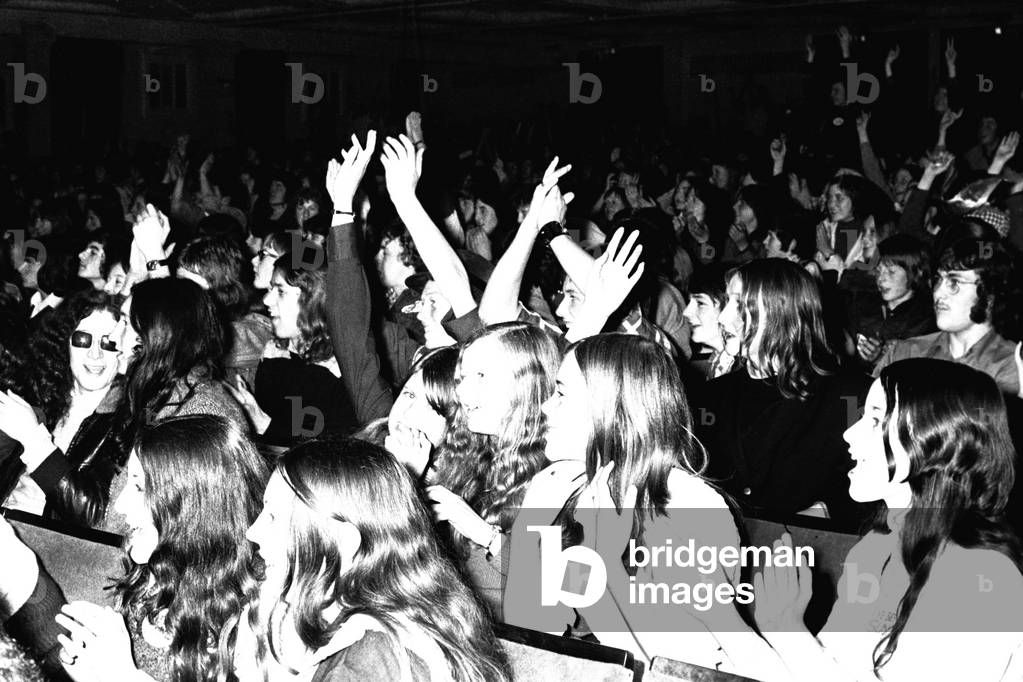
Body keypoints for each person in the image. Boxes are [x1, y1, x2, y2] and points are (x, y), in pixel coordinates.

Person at [505, 333, 787, 680]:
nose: (546, 407)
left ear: (614, 410)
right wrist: (529, 530)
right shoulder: (572, 492)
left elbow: (675, 669)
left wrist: (605, 564)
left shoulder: (688, 509)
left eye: (561, 393)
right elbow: (537, 638)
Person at [755, 359, 1023, 681]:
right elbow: (825, 666)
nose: (849, 434)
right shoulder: (874, 547)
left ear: (934, 442)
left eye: (875, 418)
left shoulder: (983, 575)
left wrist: (788, 632)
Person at [229, 435, 511, 681]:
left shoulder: (367, 662)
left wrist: (491, 537)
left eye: (274, 517)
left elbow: (542, 609)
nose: (252, 532)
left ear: (344, 542)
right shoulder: (390, 611)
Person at [51, 415, 268, 682]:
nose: (119, 505)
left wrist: (123, 676)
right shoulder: (154, 574)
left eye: (139, 486)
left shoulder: (253, 619)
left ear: (193, 507)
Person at [692, 259, 876, 527]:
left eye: (740, 305)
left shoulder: (852, 398)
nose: (723, 317)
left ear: (784, 313)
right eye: (727, 303)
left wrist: (825, 512)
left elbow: (872, 500)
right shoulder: (710, 397)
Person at [874, 237, 1020, 396]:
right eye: (938, 280)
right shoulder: (905, 353)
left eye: (954, 282)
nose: (938, 293)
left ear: (990, 294)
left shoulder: (1010, 366)